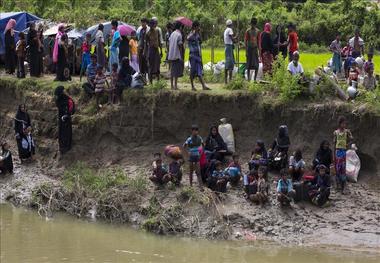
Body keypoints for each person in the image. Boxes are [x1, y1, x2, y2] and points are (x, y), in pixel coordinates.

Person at [187, 21, 210, 91]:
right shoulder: (191, 34)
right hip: (193, 55)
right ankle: (192, 86)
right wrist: (193, 33)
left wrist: (198, 33)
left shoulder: (197, 35)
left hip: (198, 55)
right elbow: (188, 38)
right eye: (198, 26)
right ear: (194, 27)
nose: (199, 28)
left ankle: (203, 86)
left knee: (199, 71)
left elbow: (201, 41)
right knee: (192, 71)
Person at [333, 116, 353, 194]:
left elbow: (351, 139)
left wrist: (347, 145)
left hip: (343, 151)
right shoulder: (336, 132)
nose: (344, 125)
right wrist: (333, 153)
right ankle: (338, 183)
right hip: (337, 151)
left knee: (343, 167)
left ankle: (343, 184)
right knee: (337, 167)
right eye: (343, 123)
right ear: (339, 124)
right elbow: (334, 143)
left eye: (345, 123)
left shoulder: (347, 132)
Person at [55, 86, 74, 154]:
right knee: (63, 133)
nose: (65, 91)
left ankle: (66, 147)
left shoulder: (67, 99)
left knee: (66, 133)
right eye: (63, 90)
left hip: (66, 118)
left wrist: (67, 114)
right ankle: (63, 147)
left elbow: (71, 108)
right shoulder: (60, 100)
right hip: (62, 119)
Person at [168, 21, 184, 90]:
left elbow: (169, 43)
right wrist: (181, 55)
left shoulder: (172, 34)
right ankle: (175, 85)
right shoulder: (179, 34)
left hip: (171, 54)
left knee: (172, 70)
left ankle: (172, 86)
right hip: (176, 54)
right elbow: (180, 45)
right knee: (176, 71)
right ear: (180, 27)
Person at [146, 19, 162, 83]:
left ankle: (158, 81)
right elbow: (146, 45)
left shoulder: (157, 31)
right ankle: (151, 81)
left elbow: (159, 42)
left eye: (153, 24)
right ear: (149, 25)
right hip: (151, 50)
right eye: (151, 24)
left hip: (156, 50)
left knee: (157, 65)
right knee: (151, 66)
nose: (152, 26)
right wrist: (146, 54)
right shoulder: (148, 34)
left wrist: (161, 50)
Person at [224, 19, 237, 84]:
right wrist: (236, 38)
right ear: (231, 25)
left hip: (227, 47)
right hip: (229, 47)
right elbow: (232, 39)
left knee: (227, 63)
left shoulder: (226, 30)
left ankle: (226, 81)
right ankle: (230, 81)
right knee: (230, 64)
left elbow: (230, 38)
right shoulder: (230, 30)